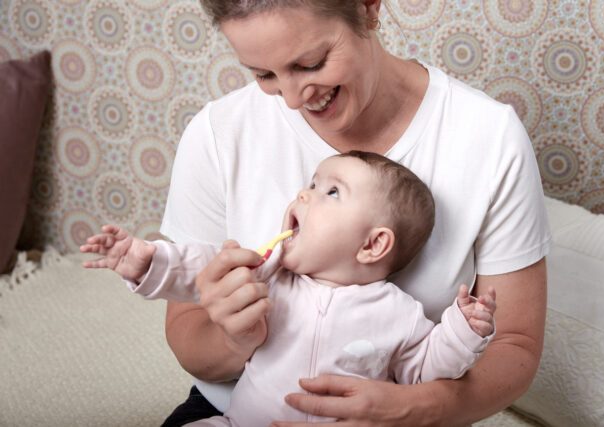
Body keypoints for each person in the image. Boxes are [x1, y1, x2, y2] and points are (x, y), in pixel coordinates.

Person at [155, 0, 551, 425]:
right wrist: (234, 338)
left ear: (367, 8)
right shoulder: (219, 132)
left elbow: (514, 344)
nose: (290, 99)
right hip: (234, 412)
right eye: (264, 75)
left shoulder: (489, 137)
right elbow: (188, 333)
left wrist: (413, 409)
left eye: (311, 63)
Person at [81, 151, 497, 426]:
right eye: (312, 183)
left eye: (330, 192)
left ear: (373, 244)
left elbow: (424, 368)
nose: (304, 193)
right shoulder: (270, 274)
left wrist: (463, 330)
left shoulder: (400, 314)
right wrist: (147, 259)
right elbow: (202, 268)